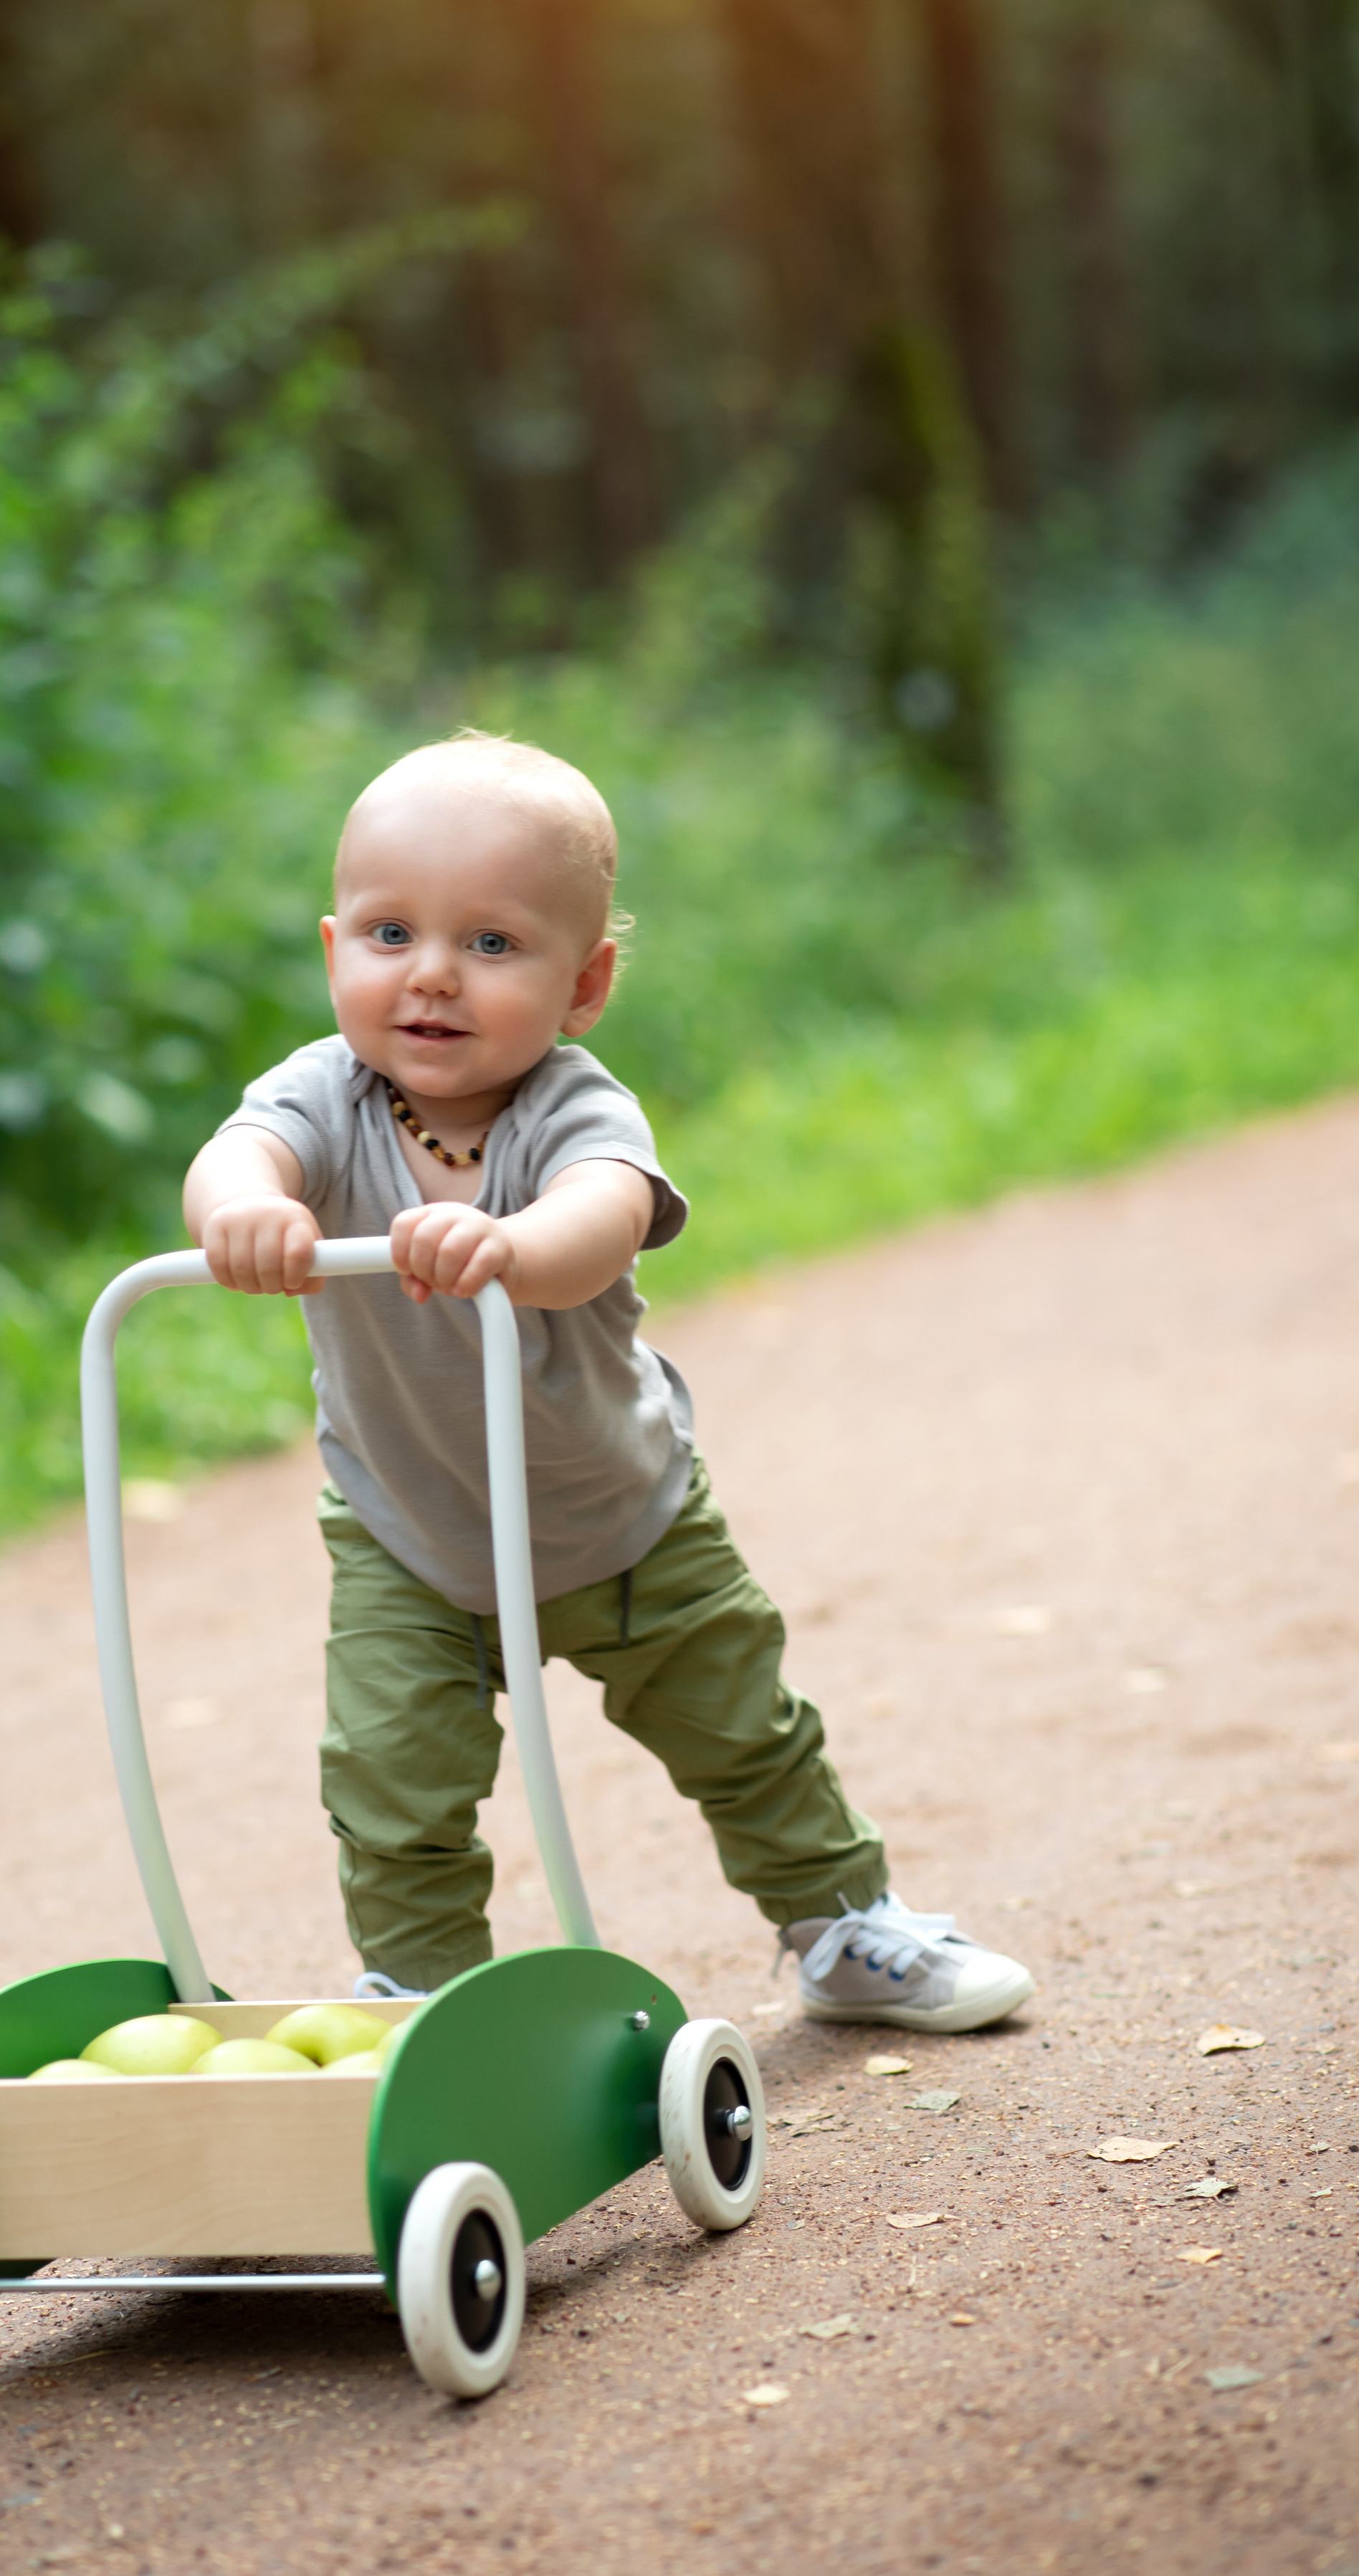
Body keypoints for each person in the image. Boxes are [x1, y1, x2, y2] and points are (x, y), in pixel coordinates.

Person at [183, 732, 1034, 2032]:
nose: (430, 977)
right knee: (389, 1776)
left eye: (492, 945)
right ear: (333, 949)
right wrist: (242, 1210)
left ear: (584, 984)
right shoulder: (322, 1095)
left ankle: (843, 1926)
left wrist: (511, 1246)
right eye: (390, 932)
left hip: (621, 1517)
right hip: (409, 1534)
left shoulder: (574, 1110)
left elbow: (603, 1220)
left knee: (742, 1728)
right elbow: (238, 1155)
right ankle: (422, 1997)